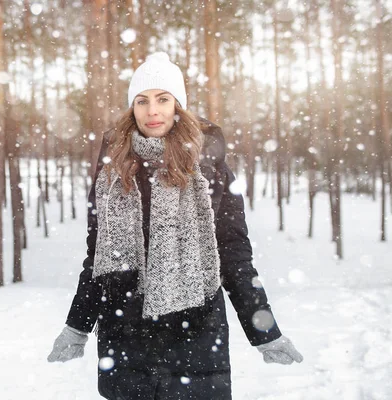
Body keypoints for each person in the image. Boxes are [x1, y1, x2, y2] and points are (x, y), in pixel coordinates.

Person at [47, 52, 303, 400]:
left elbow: (234, 257)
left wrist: (265, 331)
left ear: (178, 105)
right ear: (132, 108)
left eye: (163, 99)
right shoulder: (114, 171)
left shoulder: (211, 169)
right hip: (126, 339)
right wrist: (77, 326)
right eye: (143, 100)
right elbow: (99, 258)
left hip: (196, 337)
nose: (153, 111)